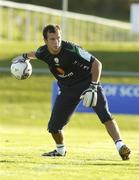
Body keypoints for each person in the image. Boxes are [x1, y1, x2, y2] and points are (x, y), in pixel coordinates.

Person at [12, 24, 131, 160]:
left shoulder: (72, 49)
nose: (56, 42)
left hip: (88, 83)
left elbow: (97, 64)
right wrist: (22, 57)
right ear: (45, 41)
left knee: (105, 114)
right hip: (67, 89)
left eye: (58, 38)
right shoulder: (42, 52)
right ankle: (60, 150)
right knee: (53, 127)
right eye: (52, 39)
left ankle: (120, 146)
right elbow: (34, 54)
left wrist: (93, 86)